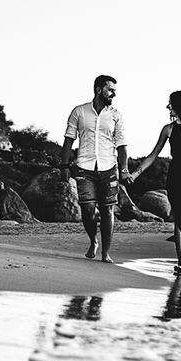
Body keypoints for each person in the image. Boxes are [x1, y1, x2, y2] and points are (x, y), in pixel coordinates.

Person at [131, 90, 181, 275]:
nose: (168, 107)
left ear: (180, 105)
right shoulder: (168, 129)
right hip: (176, 177)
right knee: (179, 219)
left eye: (171, 103)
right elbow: (153, 155)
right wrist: (136, 173)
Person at [59, 75, 129, 263]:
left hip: (109, 167)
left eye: (114, 90)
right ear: (99, 90)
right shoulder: (79, 112)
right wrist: (64, 165)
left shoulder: (116, 115)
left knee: (107, 211)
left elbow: (122, 145)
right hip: (85, 167)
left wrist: (124, 169)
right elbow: (68, 139)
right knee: (88, 209)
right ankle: (93, 241)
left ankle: (106, 252)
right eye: (110, 89)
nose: (113, 93)